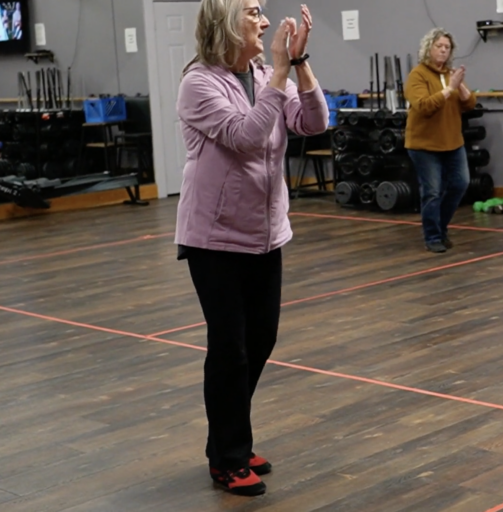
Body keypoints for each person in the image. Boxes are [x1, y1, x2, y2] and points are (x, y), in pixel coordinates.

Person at [174, 0, 328, 497]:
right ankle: (229, 457)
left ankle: (227, 438)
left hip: (266, 234)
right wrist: (281, 73)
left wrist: (298, 66)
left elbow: (314, 123)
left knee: (260, 341)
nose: (265, 21)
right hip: (214, 239)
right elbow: (246, 135)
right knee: (231, 350)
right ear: (225, 24)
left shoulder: (265, 75)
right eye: (254, 12)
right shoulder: (198, 83)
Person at [404, 28, 477, 253]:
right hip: (424, 145)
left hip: (452, 142)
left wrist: (461, 87)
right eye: (439, 46)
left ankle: (441, 227)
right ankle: (433, 236)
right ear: (429, 49)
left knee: (460, 184)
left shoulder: (449, 75)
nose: (444, 51)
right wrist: (449, 89)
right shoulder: (418, 75)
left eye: (447, 48)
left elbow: (470, 104)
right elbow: (424, 105)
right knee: (432, 191)